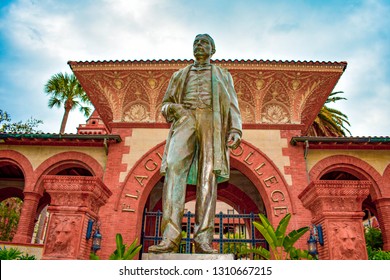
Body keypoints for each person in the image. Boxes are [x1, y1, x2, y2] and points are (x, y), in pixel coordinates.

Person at [149, 34, 242, 254]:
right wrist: (175, 109)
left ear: (213, 50)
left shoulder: (222, 74)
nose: (199, 45)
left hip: (212, 121)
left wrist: (236, 129)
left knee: (208, 178)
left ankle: (203, 239)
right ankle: (169, 238)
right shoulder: (180, 75)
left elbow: (232, 104)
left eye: (204, 43)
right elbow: (165, 105)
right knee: (173, 168)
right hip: (185, 119)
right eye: (196, 43)